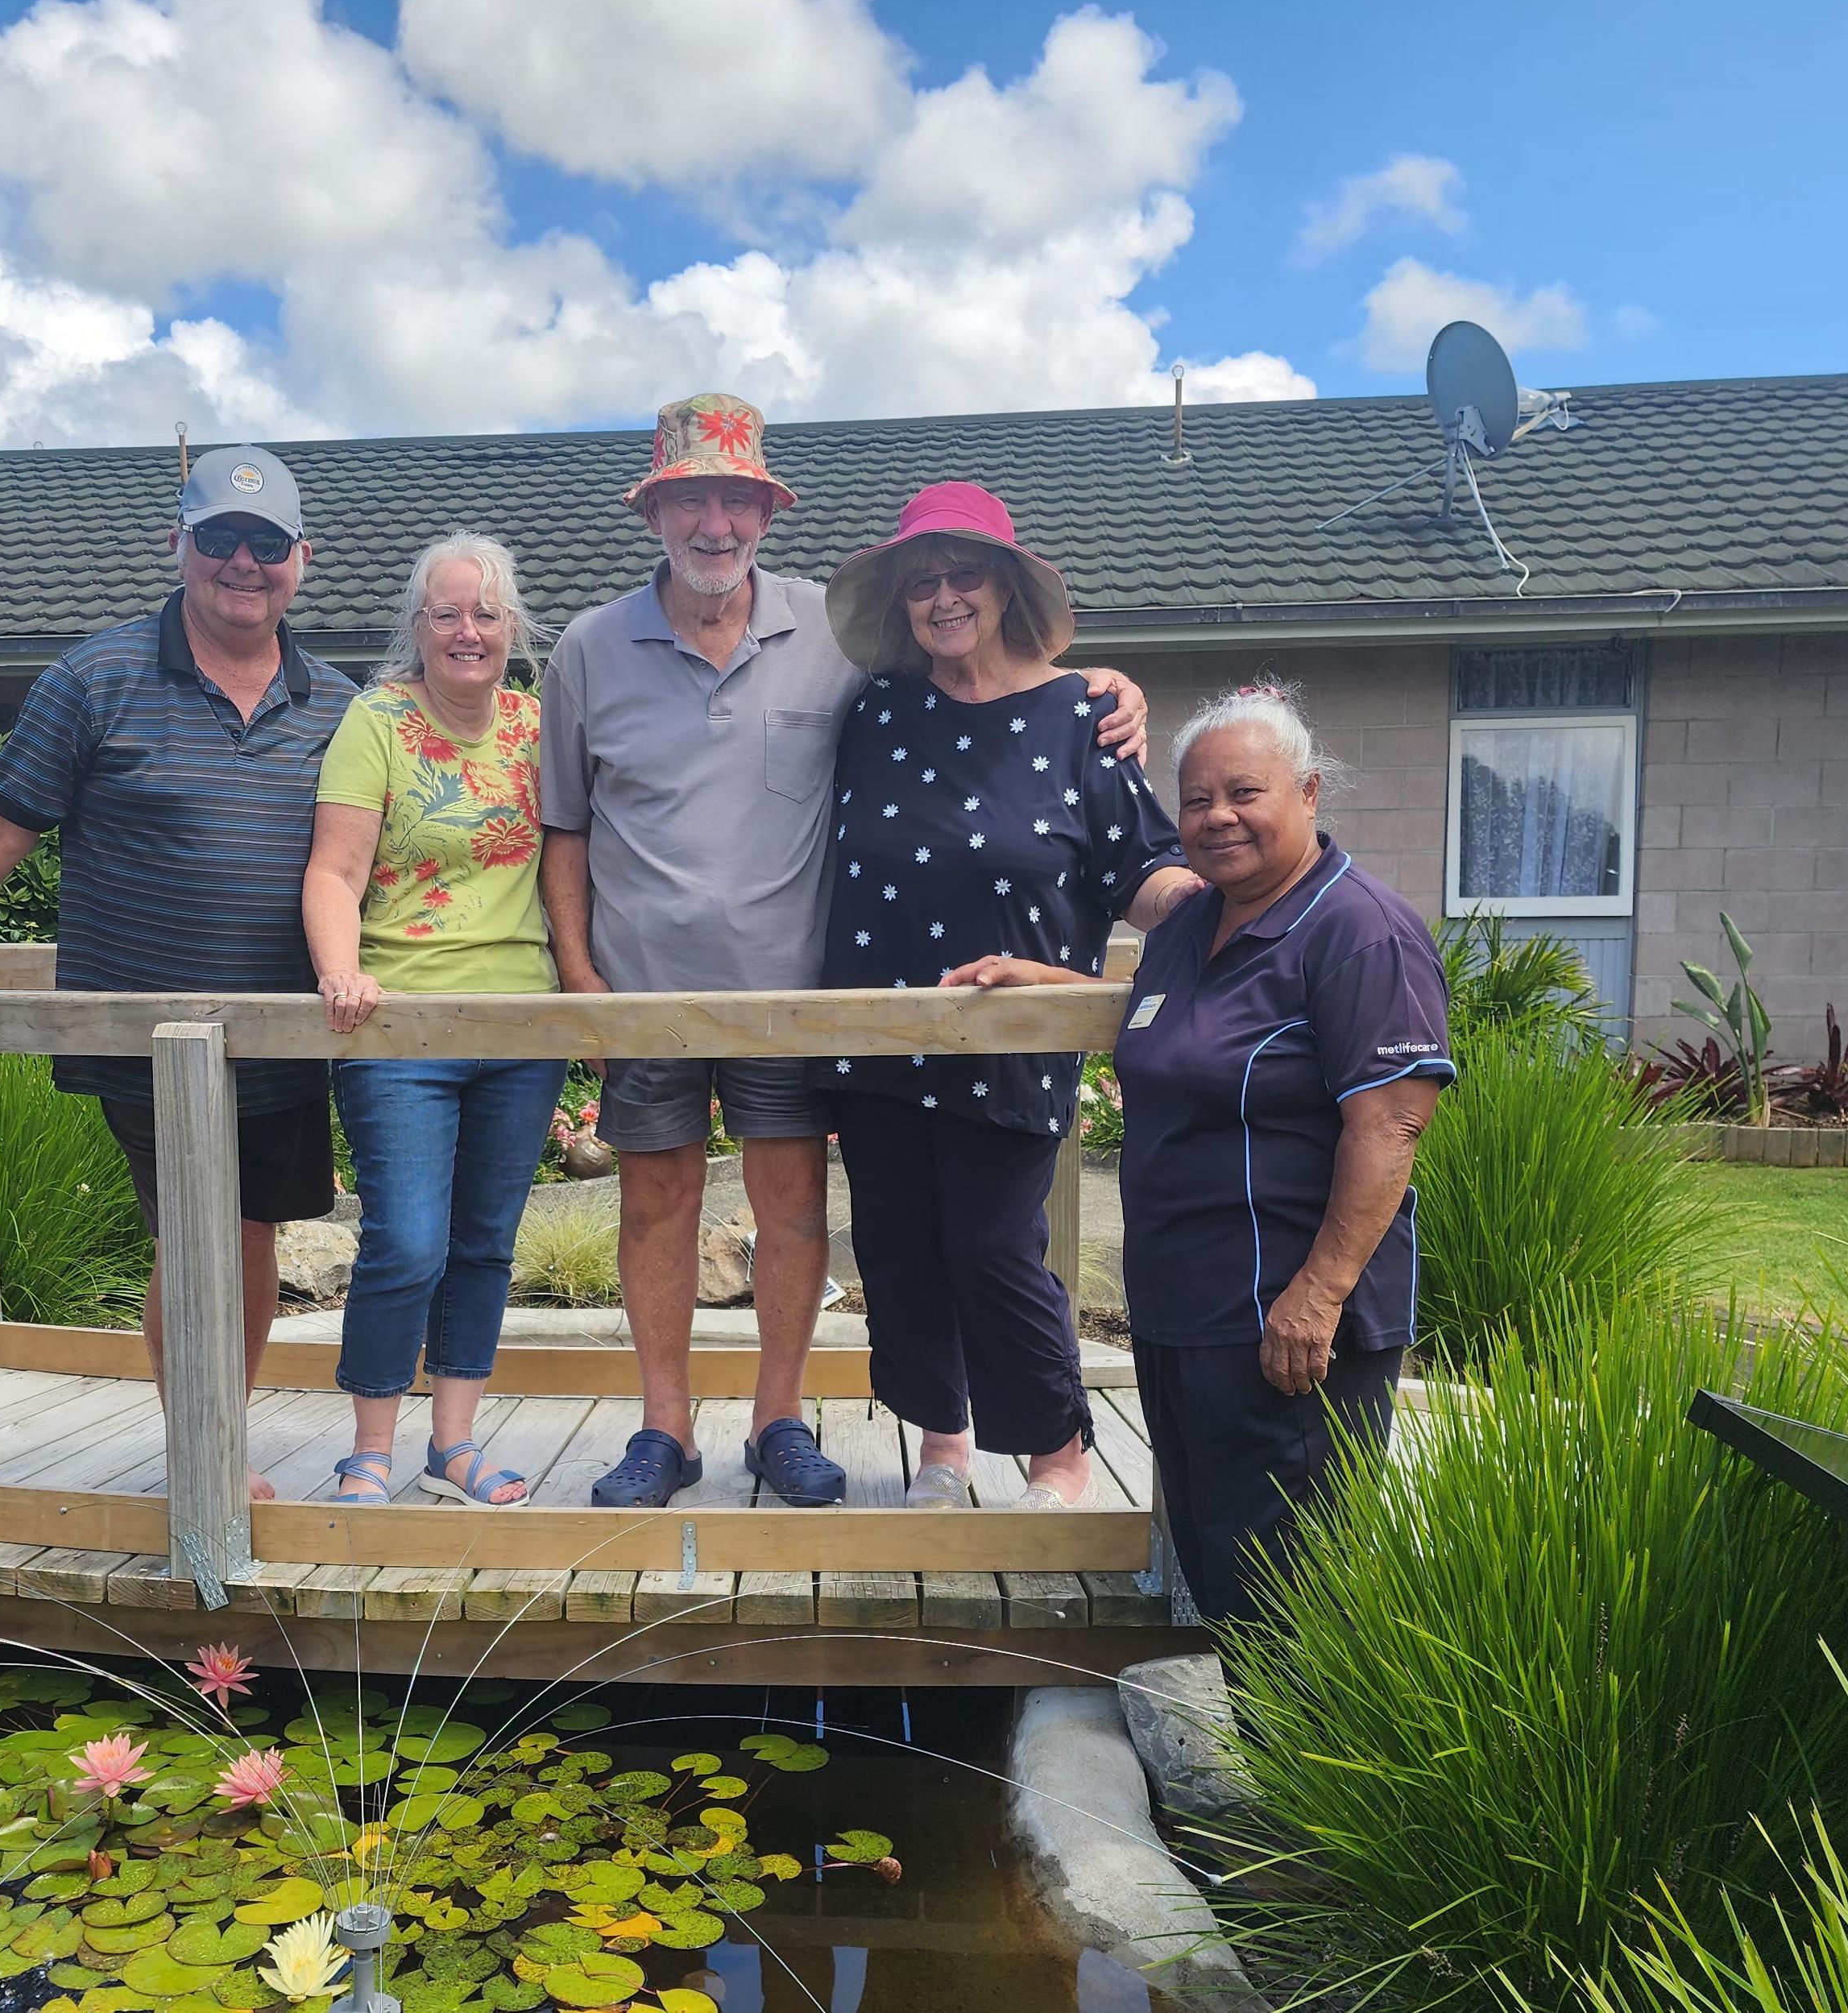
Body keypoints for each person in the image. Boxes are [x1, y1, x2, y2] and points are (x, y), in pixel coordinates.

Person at [540, 393, 1153, 1510]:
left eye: (735, 498)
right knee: (659, 1206)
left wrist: (1106, 688)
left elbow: (1001, 693)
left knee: (798, 1211)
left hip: (801, 998)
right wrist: (582, 984)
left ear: (767, 512)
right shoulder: (589, 647)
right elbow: (566, 828)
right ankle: (663, 1430)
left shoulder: (832, 635)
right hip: (647, 994)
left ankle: (780, 1420)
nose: (713, 523)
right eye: (689, 499)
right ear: (655, 512)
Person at [0, 445, 354, 1501]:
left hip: (285, 1037)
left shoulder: (338, 702)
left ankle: (218, 1426)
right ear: (178, 547)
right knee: (197, 1228)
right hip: (144, 1033)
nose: (243, 562)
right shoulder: (92, 678)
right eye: (219, 540)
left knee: (248, 1233)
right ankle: (205, 1450)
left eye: (267, 543)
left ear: (301, 561)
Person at [816, 483, 1200, 1509]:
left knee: (995, 1252)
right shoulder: (874, 709)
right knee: (897, 1250)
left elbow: (1143, 868)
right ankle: (940, 1449)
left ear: (1005, 587)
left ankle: (1056, 1455)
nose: (944, 597)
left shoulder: (1081, 715)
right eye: (921, 581)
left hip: (1011, 1036)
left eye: (965, 575)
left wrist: (1229, 902)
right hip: (875, 1031)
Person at [1111, 685, 1456, 1629]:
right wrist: (1041, 982)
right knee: (1224, 1579)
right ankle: (1258, 1772)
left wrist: (1318, 1295)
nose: (1216, 816)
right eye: (1194, 799)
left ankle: (1308, 1774)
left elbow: (1390, 1127)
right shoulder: (1190, 923)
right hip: (1184, 1317)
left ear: (1307, 793)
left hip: (1287, 1331)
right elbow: (1175, 1036)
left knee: (1289, 1598)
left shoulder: (1360, 933)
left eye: (1243, 792)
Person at [300, 535, 562, 1508]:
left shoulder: (541, 725)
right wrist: (340, 971)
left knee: (484, 1240)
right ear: (417, 625)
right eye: (447, 612)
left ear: (512, 629)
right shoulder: (378, 721)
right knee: (406, 1239)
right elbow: (333, 869)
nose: (467, 631)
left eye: (487, 614)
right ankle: (369, 1445)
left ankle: (452, 1444)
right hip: (398, 1026)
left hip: (521, 1028)